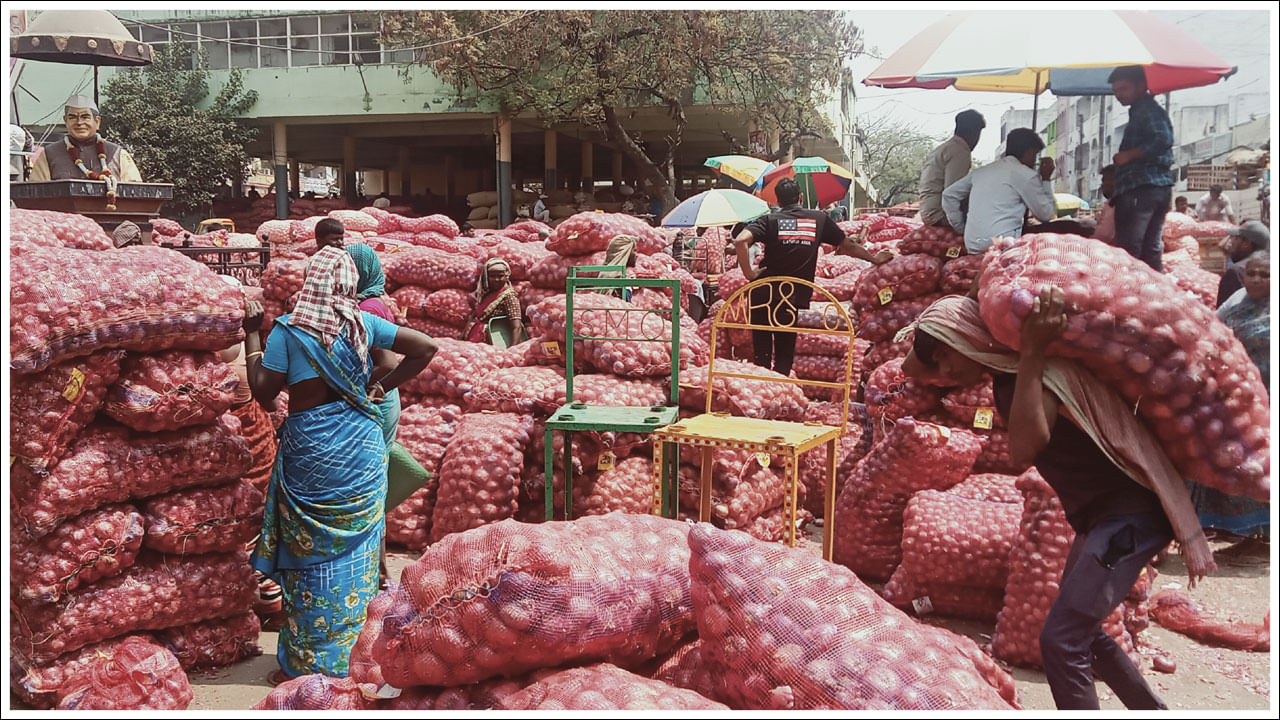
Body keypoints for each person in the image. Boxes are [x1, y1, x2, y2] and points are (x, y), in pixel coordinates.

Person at [901, 291, 1215, 710]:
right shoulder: (1010, 375)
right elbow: (915, 365)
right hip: (1104, 519)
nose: (943, 372)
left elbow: (1025, 449)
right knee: (1084, 631)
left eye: (945, 357)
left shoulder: (1027, 376)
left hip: (1127, 521)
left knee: (1061, 641)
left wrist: (1030, 349)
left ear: (965, 340)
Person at [243, 219, 438, 684]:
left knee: (310, 554)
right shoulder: (364, 323)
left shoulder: (288, 332)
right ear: (349, 284)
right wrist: (379, 386)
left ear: (310, 281)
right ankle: (357, 655)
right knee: (360, 550)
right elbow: (426, 348)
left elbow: (265, 393)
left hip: (312, 451)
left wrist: (253, 335)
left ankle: (306, 661)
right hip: (361, 448)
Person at [734, 177, 892, 376]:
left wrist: (749, 273)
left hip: (764, 289)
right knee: (785, 348)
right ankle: (780, 384)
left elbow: (740, 240)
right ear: (800, 197)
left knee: (762, 348)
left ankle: (764, 383)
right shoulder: (818, 219)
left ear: (778, 201)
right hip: (791, 293)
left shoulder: (769, 220)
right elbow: (847, 245)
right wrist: (874, 259)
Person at [1189, 253, 1271, 554]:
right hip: (1237, 397)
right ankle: (1245, 534)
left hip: (1269, 400)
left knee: (1262, 463)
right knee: (1238, 461)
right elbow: (1212, 331)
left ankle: (1263, 539)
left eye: (1266, 274)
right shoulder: (1236, 302)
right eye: (1253, 273)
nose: (1258, 279)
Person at [942, 128, 1056, 255]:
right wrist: (1045, 179)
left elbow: (949, 195)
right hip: (1003, 246)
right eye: (1034, 155)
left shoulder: (982, 171)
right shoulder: (1026, 175)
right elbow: (1046, 215)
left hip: (973, 245)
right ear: (1029, 152)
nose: (1034, 161)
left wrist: (961, 228)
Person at [1109, 65, 1175, 271]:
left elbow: (1163, 138)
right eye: (1116, 90)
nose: (1119, 95)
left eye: (1124, 88)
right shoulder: (1140, 111)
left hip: (1143, 187)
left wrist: (1129, 155)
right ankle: (1155, 294)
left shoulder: (1147, 110)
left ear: (1141, 86)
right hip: (1154, 188)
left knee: (1131, 250)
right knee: (1150, 250)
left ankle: (1135, 294)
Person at [29, 94, 143, 183]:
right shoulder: (49, 154)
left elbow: (136, 192)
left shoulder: (118, 154)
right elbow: (36, 193)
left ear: (97, 122)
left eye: (85, 117)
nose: (79, 123)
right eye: (73, 117)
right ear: (65, 121)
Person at [919, 109, 986, 227]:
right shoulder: (960, 151)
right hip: (939, 215)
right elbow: (953, 193)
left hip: (929, 210)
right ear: (974, 133)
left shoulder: (945, 148)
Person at [466, 258, 524, 343]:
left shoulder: (509, 296)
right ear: (487, 277)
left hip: (493, 340)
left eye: (500, 276)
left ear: (506, 276)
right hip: (477, 336)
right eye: (492, 276)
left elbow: (516, 327)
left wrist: (513, 349)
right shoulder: (486, 293)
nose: (496, 279)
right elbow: (476, 314)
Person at [1216, 220, 1270, 307]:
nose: (1231, 243)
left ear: (1246, 244)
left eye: (1236, 238)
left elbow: (1222, 317)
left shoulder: (1236, 271)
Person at [597, 234, 641, 301]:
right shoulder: (615, 278)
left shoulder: (609, 272)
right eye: (634, 250)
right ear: (625, 253)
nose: (636, 255)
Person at [1093, 165, 1118, 245]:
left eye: (1105, 180)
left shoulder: (1115, 204)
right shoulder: (1110, 203)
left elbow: (1104, 235)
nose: (1102, 185)